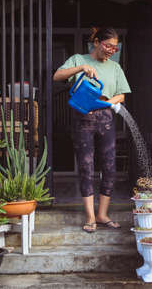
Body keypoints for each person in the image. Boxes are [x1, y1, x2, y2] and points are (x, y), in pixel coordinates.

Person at [53, 27, 131, 233]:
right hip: (83, 117)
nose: (110, 50)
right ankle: (90, 217)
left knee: (109, 167)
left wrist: (107, 103)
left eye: (114, 48)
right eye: (107, 46)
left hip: (105, 117)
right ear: (96, 42)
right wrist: (81, 68)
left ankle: (102, 214)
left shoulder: (115, 67)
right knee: (86, 166)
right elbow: (57, 76)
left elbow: (122, 95)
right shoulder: (78, 59)